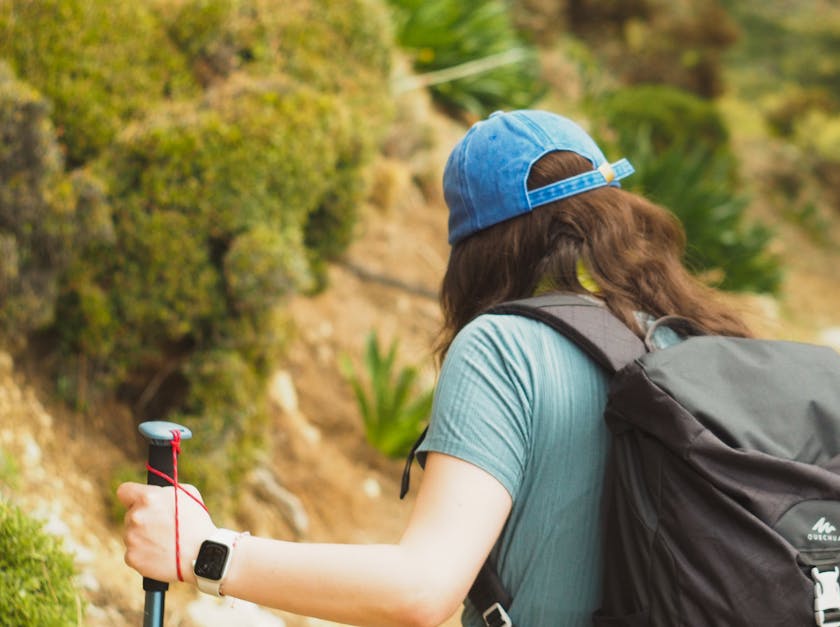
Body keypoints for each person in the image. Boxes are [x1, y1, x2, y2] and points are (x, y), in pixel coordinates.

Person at [119, 109, 752, 626]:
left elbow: (421, 589)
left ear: (479, 248)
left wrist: (205, 552)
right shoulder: (695, 339)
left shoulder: (505, 347)